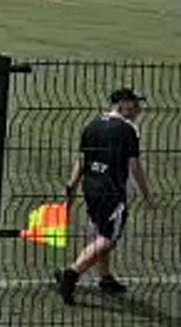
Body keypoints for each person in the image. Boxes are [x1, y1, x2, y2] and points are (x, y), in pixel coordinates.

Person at [56, 88, 155, 305]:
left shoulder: (92, 124)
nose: (138, 110)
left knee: (101, 231)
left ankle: (105, 277)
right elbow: (135, 165)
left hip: (90, 186)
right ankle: (72, 273)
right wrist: (147, 194)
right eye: (134, 105)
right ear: (122, 105)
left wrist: (71, 188)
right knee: (108, 238)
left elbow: (82, 160)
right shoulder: (128, 130)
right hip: (112, 190)